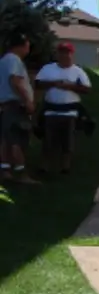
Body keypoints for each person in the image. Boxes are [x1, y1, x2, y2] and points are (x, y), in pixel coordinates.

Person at [35, 42, 91, 176]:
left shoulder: (77, 71)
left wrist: (70, 86)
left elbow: (87, 89)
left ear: (72, 55)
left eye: (67, 53)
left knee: (68, 140)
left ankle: (65, 167)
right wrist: (54, 83)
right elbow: (37, 83)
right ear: (57, 54)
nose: (65, 55)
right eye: (62, 52)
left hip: (70, 111)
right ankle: (45, 166)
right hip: (51, 110)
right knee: (48, 140)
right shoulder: (48, 69)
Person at [0, 32, 38, 185]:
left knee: (6, 140)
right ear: (22, 45)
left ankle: (6, 171)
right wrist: (27, 100)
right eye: (27, 45)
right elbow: (15, 81)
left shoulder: (3, 61)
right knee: (17, 140)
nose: (28, 48)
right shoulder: (14, 60)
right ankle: (22, 174)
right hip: (15, 105)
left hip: (5, 106)